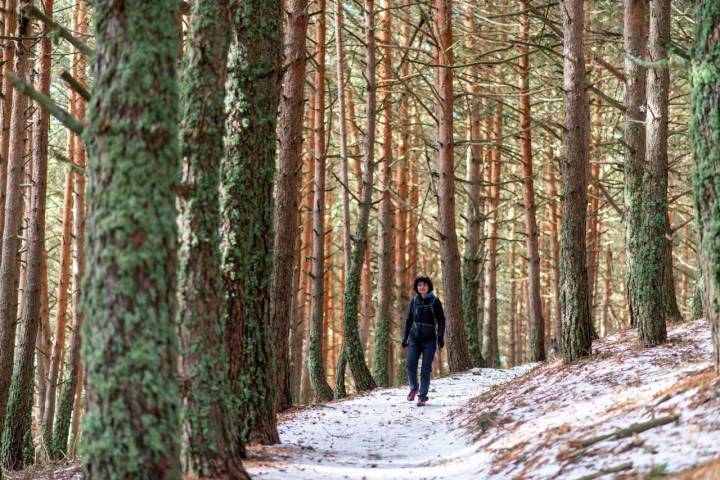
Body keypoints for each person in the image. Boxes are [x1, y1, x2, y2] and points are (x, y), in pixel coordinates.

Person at [401, 275, 445, 406]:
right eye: (419, 285)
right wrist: (405, 337)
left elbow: (441, 320)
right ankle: (414, 388)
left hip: (429, 341)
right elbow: (409, 320)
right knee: (410, 365)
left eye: (424, 285)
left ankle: (422, 396)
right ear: (417, 287)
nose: (422, 287)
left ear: (429, 287)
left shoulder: (435, 301)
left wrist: (440, 337)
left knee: (425, 369)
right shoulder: (413, 301)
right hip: (414, 339)